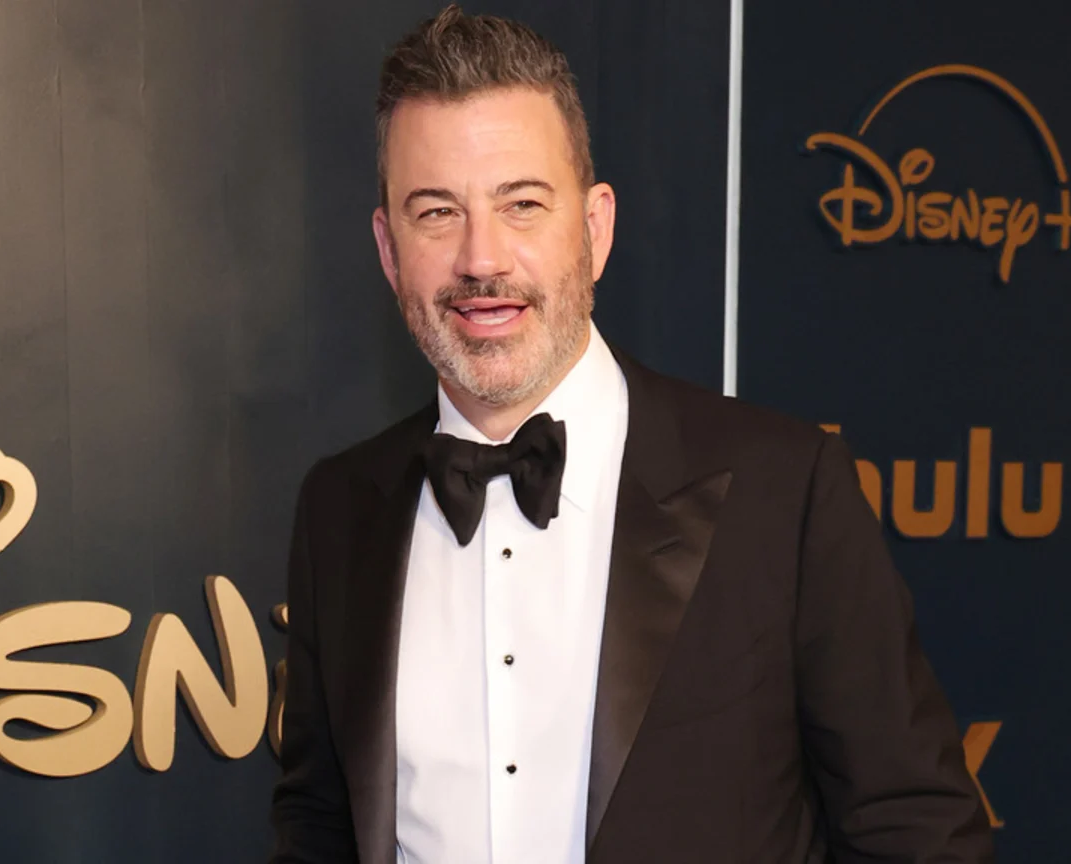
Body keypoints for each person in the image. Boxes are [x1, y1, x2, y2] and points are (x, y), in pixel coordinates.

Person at [270, 6, 994, 863]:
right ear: (390, 252)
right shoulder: (339, 509)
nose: (481, 259)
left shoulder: (785, 492)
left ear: (596, 228)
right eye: (436, 213)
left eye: (522, 204)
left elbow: (916, 831)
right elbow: (317, 828)